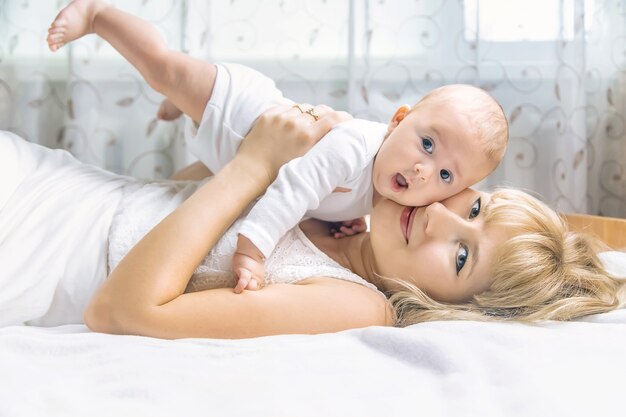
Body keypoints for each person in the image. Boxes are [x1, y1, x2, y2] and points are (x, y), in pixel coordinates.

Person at [0, 103, 622, 339]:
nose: (436, 219)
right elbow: (168, 199)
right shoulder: (351, 199)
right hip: (57, 181)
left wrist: (252, 166)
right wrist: (279, 146)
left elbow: (120, 312)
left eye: (462, 257)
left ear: (454, 305)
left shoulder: (356, 305)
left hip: (34, 249)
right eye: (474, 209)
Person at [46, 0, 509, 293]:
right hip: (238, 109)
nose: (425, 172)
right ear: (398, 120)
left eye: (446, 176)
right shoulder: (354, 145)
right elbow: (295, 187)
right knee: (163, 68)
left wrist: (345, 216)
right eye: (426, 144)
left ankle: (183, 105)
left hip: (232, 153)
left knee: (184, 99)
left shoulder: (388, 190)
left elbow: (327, 198)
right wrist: (254, 249)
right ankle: (98, 14)